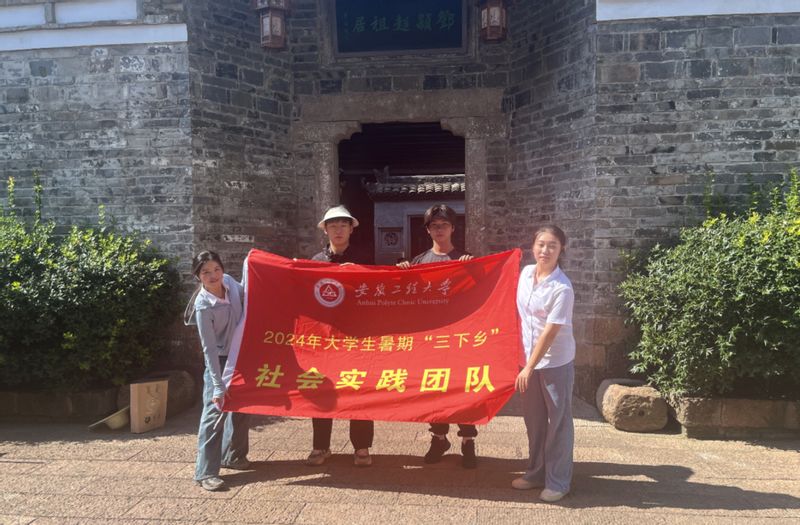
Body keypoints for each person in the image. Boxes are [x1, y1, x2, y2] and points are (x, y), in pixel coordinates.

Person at [397, 204, 477, 469]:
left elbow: (481, 294)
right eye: (434, 225)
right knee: (435, 387)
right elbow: (405, 299)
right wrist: (402, 273)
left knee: (463, 388)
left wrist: (473, 270)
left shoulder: (466, 259)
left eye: (444, 225)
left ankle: (468, 440)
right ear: (428, 230)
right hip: (432, 339)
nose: (439, 229)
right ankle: (439, 438)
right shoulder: (419, 262)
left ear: (453, 228)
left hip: (460, 338)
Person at [306, 205, 375, 467]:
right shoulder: (315, 262)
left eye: (343, 225)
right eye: (333, 225)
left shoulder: (366, 258)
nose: (338, 230)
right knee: (323, 391)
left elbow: (379, 289)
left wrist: (360, 272)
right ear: (325, 230)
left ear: (351, 229)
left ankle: (361, 447)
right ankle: (321, 447)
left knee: (358, 389)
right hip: (325, 340)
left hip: (357, 338)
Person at [512, 225, 575, 503]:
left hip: (554, 362)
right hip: (527, 359)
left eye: (552, 245)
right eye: (540, 244)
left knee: (558, 421)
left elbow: (550, 333)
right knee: (534, 420)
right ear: (533, 246)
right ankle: (536, 472)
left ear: (561, 250)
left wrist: (528, 367)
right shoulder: (526, 273)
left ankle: (559, 481)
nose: (545, 250)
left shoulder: (562, 288)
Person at [185, 250, 250, 491]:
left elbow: (250, 294)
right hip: (220, 361)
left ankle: (234, 456)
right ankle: (205, 473)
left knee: (241, 408)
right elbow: (209, 350)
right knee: (215, 412)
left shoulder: (230, 283)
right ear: (197, 276)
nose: (213, 276)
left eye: (216, 269)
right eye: (205, 272)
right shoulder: (203, 306)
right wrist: (218, 385)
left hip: (241, 355)